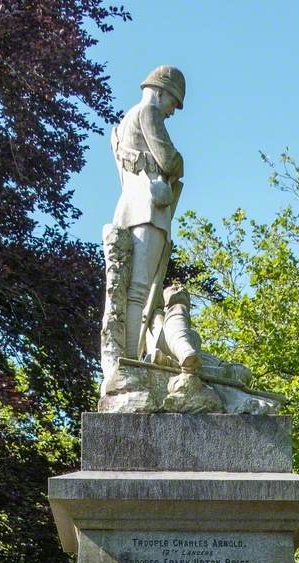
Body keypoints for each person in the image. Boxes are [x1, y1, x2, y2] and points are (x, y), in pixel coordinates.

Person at [110, 65, 186, 359]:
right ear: (161, 90)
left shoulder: (125, 120)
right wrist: (179, 163)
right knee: (140, 290)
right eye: (173, 102)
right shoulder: (148, 112)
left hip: (131, 207)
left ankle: (133, 354)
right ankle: (130, 358)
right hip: (149, 208)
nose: (173, 111)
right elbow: (169, 161)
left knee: (135, 289)